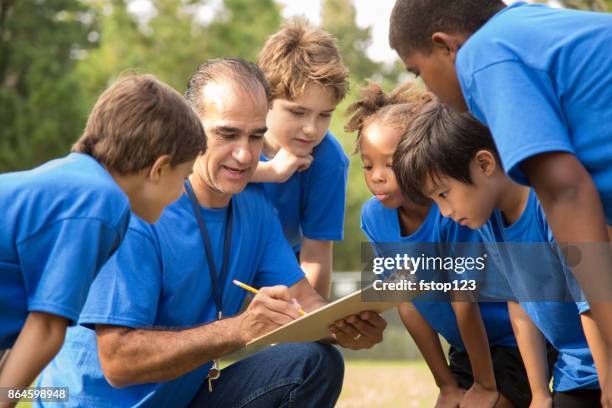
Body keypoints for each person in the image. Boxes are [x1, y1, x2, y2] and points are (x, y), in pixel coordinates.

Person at [35, 58, 386, 408]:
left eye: (255, 136)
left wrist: (344, 327)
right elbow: (118, 361)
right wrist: (238, 328)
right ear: (190, 128)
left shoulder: (255, 209)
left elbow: (304, 302)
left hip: (185, 398)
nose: (244, 154)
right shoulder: (139, 207)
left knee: (314, 362)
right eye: (227, 134)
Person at [388, 2, 612, 404]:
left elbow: (568, 192)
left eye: (418, 72)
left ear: (446, 47)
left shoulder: (485, 55)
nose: (426, 90)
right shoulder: (522, 36)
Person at [0, 74, 204, 399]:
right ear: (159, 168)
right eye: (184, 177)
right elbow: (47, 327)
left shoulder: (74, 181)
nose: (183, 192)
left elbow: (28, 331)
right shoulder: (102, 203)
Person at [348, 82, 531, 407]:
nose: (377, 175)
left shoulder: (454, 211)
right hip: (465, 350)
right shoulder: (374, 218)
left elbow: (466, 300)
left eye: (389, 164)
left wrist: (485, 385)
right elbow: (406, 301)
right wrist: (446, 385)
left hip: (513, 342)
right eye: (367, 165)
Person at [251, 20, 350, 298]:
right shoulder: (235, 132)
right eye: (297, 112)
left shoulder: (328, 159)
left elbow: (316, 255)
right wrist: (271, 172)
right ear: (265, 99)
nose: (311, 128)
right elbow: (200, 168)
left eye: (324, 115)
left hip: (286, 275)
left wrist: (307, 326)